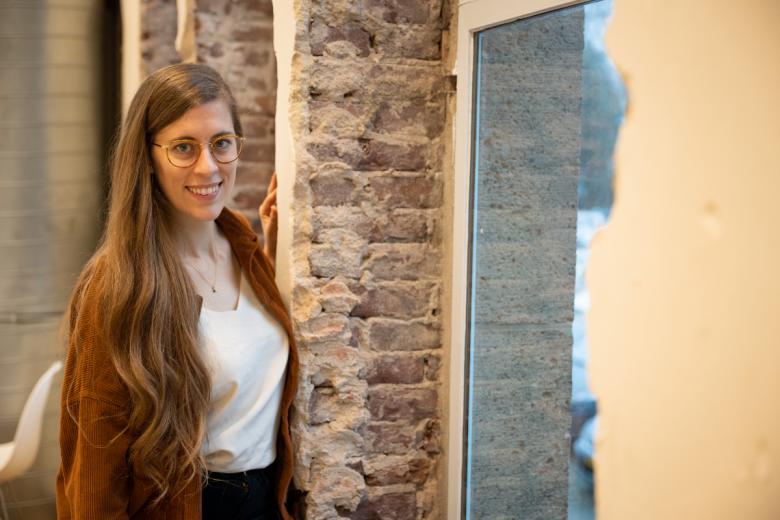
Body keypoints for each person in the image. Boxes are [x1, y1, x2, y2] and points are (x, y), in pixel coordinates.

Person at [55, 63, 299, 520]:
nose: (208, 167)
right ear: (147, 157)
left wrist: (275, 252)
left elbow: (244, 355)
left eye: (221, 143)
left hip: (269, 502)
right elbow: (94, 475)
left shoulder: (246, 251)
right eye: (183, 148)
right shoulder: (116, 285)